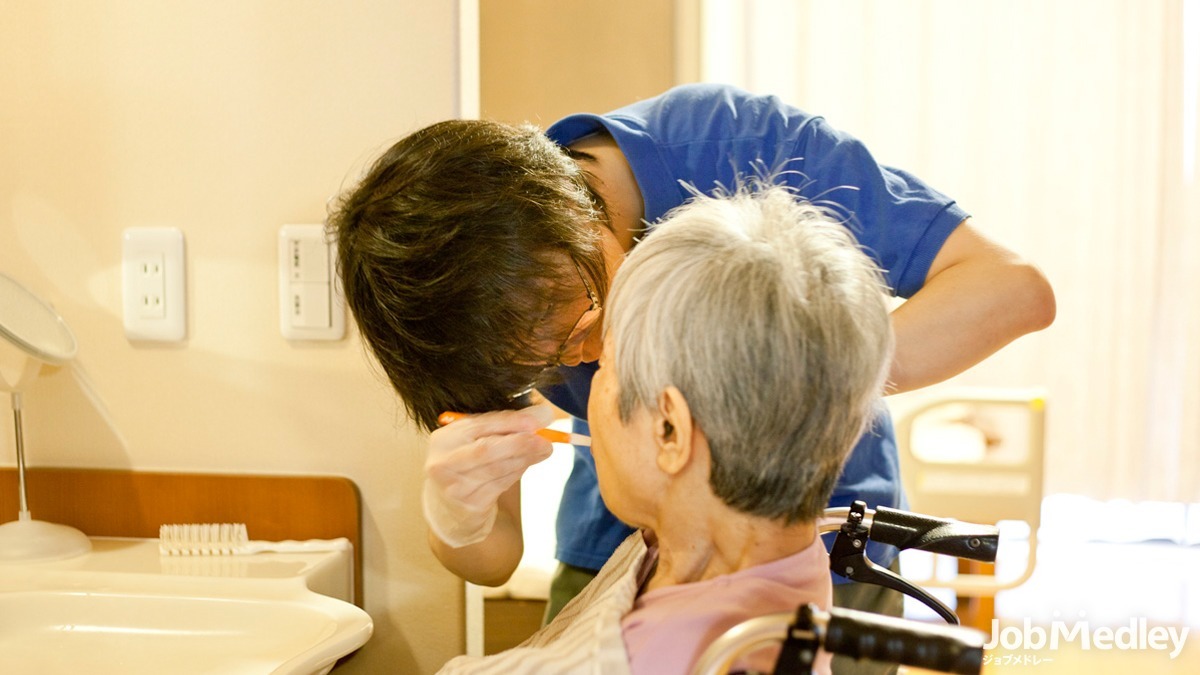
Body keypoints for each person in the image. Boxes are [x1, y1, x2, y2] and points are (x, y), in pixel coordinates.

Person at [330, 83, 1055, 662]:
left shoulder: (740, 148)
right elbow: (493, 559)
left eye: (584, 318)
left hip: (817, 553)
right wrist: (458, 512)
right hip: (618, 554)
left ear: (581, 216)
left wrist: (781, 381)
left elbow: (1010, 289)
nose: (585, 363)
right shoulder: (468, 308)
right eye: (542, 365)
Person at [438, 183, 893, 675]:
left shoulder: (654, 658)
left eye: (604, 366)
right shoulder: (784, 558)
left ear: (670, 431)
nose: (585, 390)